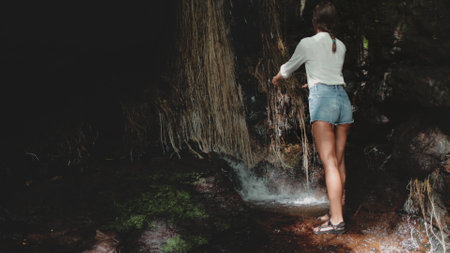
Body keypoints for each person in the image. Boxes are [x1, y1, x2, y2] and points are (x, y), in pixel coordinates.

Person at [272, 1, 353, 235]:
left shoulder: (307, 43)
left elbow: (288, 69)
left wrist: (276, 78)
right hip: (342, 100)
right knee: (339, 160)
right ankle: (336, 210)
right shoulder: (342, 46)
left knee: (329, 162)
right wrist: (314, 81)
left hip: (323, 101)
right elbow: (330, 73)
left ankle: (336, 220)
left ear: (315, 21)